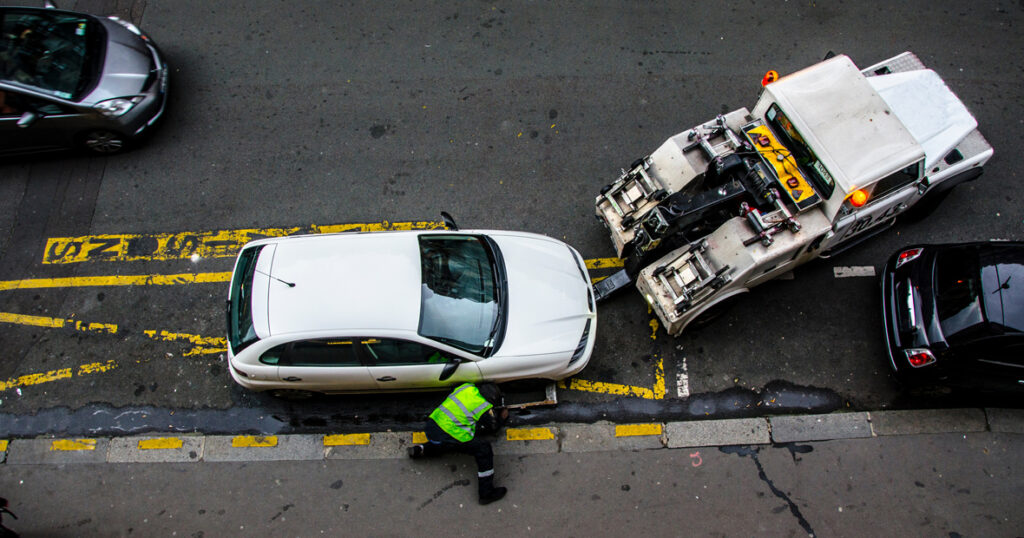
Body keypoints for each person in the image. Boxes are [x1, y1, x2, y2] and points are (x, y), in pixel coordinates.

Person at [408, 382, 509, 505]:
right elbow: (493, 427)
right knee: (483, 449)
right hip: (447, 434)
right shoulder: (483, 406)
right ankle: (486, 493)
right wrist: (502, 418)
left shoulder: (467, 387)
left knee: (446, 441)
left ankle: (421, 449)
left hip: (433, 424)